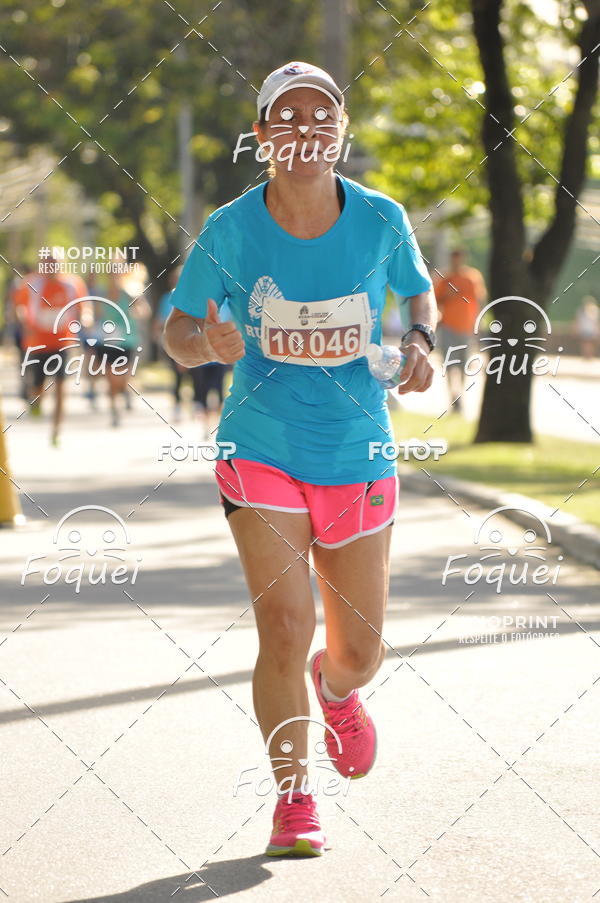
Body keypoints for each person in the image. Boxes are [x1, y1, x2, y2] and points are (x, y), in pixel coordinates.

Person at [163, 61, 437, 857]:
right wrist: (202, 343)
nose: (306, 129)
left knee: (361, 648)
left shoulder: (383, 220)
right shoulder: (230, 228)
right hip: (263, 444)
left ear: (341, 132)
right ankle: (292, 799)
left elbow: (419, 297)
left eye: (323, 115)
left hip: (356, 450)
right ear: (262, 136)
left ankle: (339, 689)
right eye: (287, 117)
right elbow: (177, 333)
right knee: (283, 626)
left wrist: (421, 341)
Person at [12, 264, 89, 445]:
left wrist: (86, 317)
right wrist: (23, 322)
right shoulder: (31, 284)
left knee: (61, 387)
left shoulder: (73, 283)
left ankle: (56, 431)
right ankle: (36, 401)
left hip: (63, 343)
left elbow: (84, 306)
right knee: (38, 387)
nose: (52, 266)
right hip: (38, 343)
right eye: (48, 261)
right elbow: (18, 307)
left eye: (55, 262)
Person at [154, 269, 229, 432]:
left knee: (218, 390)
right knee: (192, 387)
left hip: (221, 356)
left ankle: (212, 424)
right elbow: (169, 325)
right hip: (195, 353)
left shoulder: (228, 301)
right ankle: (192, 414)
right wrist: (183, 354)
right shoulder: (176, 299)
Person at [434, 249, 487, 411]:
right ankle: (452, 394)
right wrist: (446, 296)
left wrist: (479, 321)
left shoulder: (472, 277)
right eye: (454, 259)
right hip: (448, 326)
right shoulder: (444, 278)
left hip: (466, 327)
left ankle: (460, 395)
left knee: (464, 364)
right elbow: (434, 302)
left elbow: (479, 299)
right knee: (449, 363)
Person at [99, 273, 150, 427]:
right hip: (107, 341)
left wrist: (137, 310)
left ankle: (126, 390)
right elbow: (97, 314)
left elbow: (145, 311)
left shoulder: (130, 292)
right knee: (111, 379)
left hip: (127, 341)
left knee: (122, 378)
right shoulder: (102, 294)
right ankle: (114, 410)